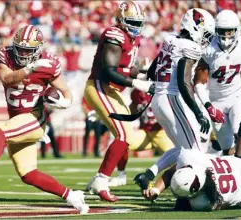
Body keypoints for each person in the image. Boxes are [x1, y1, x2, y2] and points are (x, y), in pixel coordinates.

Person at [0, 25, 89, 214]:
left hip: (34, 120)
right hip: (18, 120)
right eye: (20, 48)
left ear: (38, 49)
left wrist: (65, 102)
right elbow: (6, 79)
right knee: (29, 175)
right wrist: (28, 70)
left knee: (0, 129)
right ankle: (73, 196)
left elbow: (66, 90)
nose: (23, 53)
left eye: (28, 50)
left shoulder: (49, 64)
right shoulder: (7, 55)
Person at [134, 8, 215, 190]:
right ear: (196, 28)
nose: (205, 39)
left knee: (184, 148)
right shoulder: (190, 47)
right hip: (172, 99)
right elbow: (183, 82)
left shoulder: (170, 39)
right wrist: (197, 112)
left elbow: (153, 69)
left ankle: (149, 174)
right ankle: (191, 192)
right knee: (196, 151)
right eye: (205, 33)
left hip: (159, 100)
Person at [83, 0, 155, 202]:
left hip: (113, 91)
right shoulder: (114, 35)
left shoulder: (133, 37)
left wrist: (142, 72)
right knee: (122, 135)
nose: (137, 26)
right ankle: (101, 180)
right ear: (121, 20)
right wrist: (138, 84)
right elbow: (109, 71)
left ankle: (100, 179)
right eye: (132, 21)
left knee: (126, 138)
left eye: (139, 22)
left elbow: (125, 67)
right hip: (100, 86)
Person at [194, 10, 241, 162]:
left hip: (237, 96)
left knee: (240, 131)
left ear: (237, 30)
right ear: (215, 30)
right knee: (227, 148)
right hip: (216, 101)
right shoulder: (208, 49)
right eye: (222, 31)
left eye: (230, 31)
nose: (227, 35)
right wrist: (209, 107)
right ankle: (235, 177)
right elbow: (199, 83)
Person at [142, 149, 241, 211]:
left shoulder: (204, 201)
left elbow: (221, 205)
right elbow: (170, 173)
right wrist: (156, 190)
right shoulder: (192, 159)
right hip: (240, 163)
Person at [109, 89, 174, 187]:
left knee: (177, 158)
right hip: (146, 133)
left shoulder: (161, 89)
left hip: (161, 132)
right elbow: (130, 111)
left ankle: (177, 182)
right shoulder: (136, 93)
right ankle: (120, 176)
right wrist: (110, 115)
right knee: (123, 142)